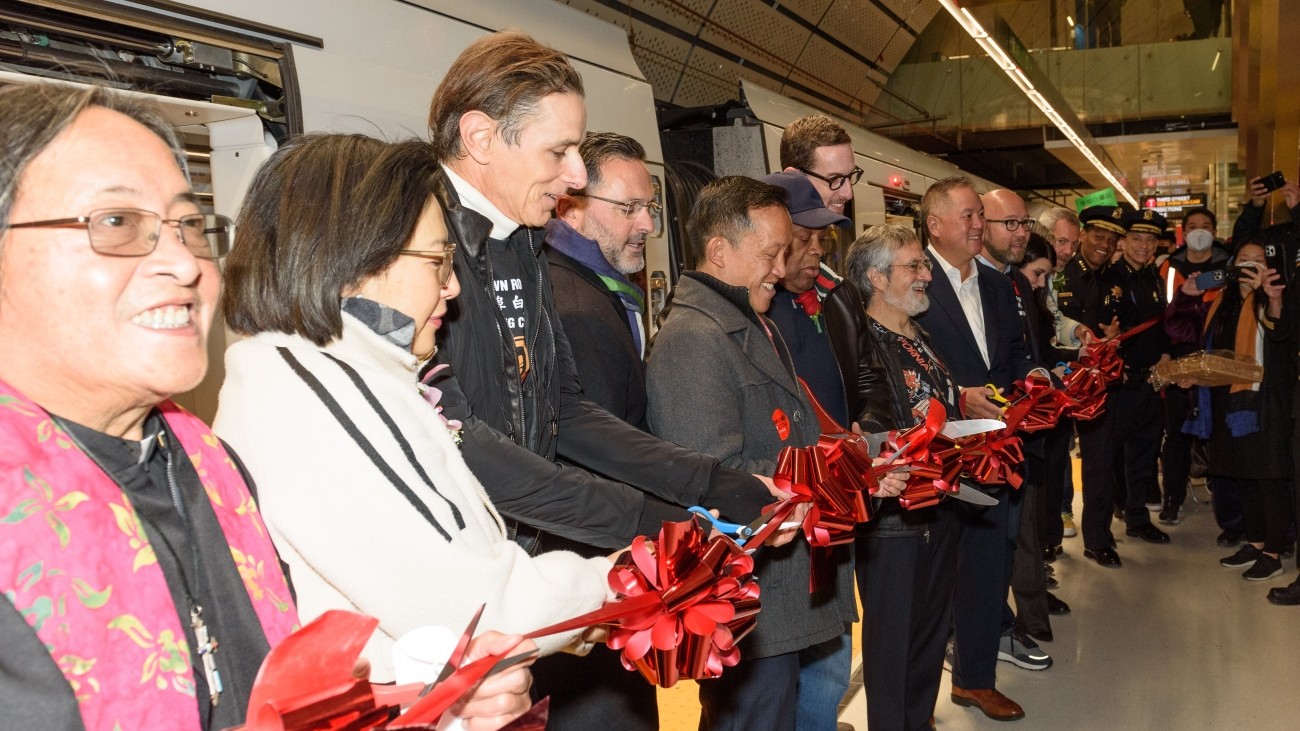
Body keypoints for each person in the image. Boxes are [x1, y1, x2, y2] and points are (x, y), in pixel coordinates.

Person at [0, 84, 529, 731]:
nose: (185, 262)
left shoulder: (207, 466)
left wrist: (415, 706)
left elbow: (262, 690)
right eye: (116, 223)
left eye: (189, 225)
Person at [214, 133, 612, 684]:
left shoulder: (347, 375)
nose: (451, 288)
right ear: (353, 262)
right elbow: (472, 608)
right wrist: (619, 584)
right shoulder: (310, 390)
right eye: (436, 260)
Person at [424, 31, 777, 556]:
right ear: (480, 137)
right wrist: (660, 525)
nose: (577, 174)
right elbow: (458, 443)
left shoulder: (522, 244)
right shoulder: (411, 246)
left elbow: (563, 408)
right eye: (560, 150)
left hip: (515, 551)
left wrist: (708, 484)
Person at [646, 176, 863, 731]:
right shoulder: (695, 338)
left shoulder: (751, 322)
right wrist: (828, 476)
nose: (780, 266)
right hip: (754, 597)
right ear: (719, 250)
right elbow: (712, 480)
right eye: (771, 253)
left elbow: (799, 436)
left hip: (786, 589)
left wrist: (858, 460)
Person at [538, 130, 661, 729]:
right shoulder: (578, 305)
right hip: (597, 561)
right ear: (572, 208)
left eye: (649, 207)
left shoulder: (600, 289)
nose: (647, 226)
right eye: (628, 209)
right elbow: (605, 451)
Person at [824, 224, 960, 731]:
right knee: (893, 641)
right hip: (895, 516)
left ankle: (917, 721)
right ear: (877, 277)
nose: (927, 276)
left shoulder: (918, 335)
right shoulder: (866, 344)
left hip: (941, 503)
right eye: (915, 266)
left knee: (929, 633)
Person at [913, 177, 1036, 722]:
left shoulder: (996, 286)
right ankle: (914, 696)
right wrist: (953, 401)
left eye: (979, 216)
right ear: (934, 225)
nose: (978, 225)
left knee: (988, 567)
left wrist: (1030, 389)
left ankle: (975, 680)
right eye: (967, 216)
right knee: (934, 575)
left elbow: (1010, 356)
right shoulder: (913, 285)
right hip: (937, 456)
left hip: (996, 453)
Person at [760, 170, 856, 731]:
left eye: (823, 241)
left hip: (831, 498)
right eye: (804, 240)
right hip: (792, 508)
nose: (817, 253)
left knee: (829, 657)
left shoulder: (820, 302)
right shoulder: (762, 315)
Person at [1169, 239, 1292, 581]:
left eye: (1257, 260)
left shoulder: (1275, 295)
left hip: (1262, 400)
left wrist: (1272, 297)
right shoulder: (1221, 298)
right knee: (1243, 475)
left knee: (1268, 478)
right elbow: (1201, 344)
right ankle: (1255, 542)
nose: (1249, 266)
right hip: (1226, 401)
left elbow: (1280, 333)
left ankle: (1274, 551)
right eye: (1243, 260)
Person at [976, 190, 1057, 665]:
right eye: (1011, 223)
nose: (1021, 233)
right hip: (982, 438)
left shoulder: (1017, 283)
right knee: (989, 542)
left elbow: (1024, 351)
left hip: (1019, 432)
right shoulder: (974, 282)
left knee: (1007, 537)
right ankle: (984, 631)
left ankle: (998, 626)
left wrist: (1040, 377)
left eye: (1024, 223)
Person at [1055, 205, 1129, 568]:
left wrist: (1116, 342)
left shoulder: (1118, 278)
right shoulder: (1059, 274)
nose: (1105, 243)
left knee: (1100, 463)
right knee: (1054, 463)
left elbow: (1126, 325)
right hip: (1059, 381)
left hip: (1100, 387)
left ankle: (1098, 539)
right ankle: (1050, 539)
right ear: (1083, 235)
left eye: (1112, 238)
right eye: (1099, 235)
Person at [1157, 207, 1230, 527]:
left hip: (1220, 358)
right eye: (1192, 226)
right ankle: (1173, 497)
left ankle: (1225, 495)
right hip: (1179, 356)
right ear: (1183, 232)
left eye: (1206, 226)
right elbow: (1159, 317)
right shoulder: (1169, 268)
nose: (1199, 231)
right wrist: (1166, 357)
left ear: (1215, 230)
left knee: (1220, 432)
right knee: (1176, 433)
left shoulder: (1229, 265)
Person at [1107, 210, 1174, 545]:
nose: (1144, 246)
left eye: (1150, 240)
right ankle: (1104, 523)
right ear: (1123, 241)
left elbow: (1162, 324)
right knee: (1111, 454)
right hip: (1121, 383)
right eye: (1136, 238)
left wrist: (1165, 354)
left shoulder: (1155, 278)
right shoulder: (1110, 278)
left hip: (1151, 380)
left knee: (1144, 454)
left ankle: (1136, 516)